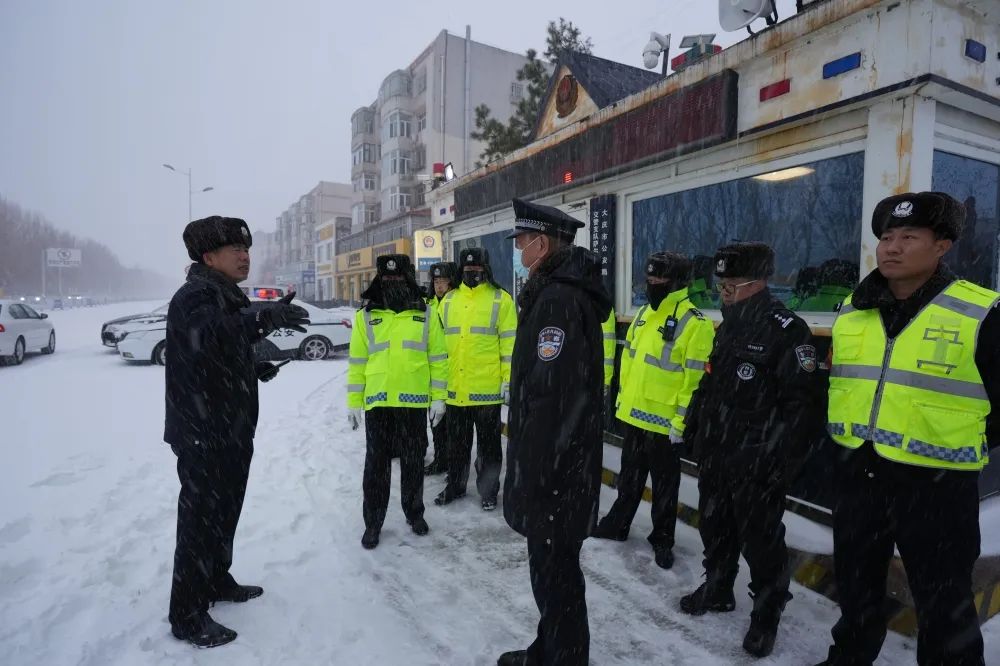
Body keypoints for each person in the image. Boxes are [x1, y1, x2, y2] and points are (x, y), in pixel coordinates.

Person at [816, 192, 999, 666]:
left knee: (945, 606)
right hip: (859, 475)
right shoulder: (852, 311)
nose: (892, 248)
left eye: (909, 237)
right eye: (886, 237)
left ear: (942, 246)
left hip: (937, 488)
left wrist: (953, 438)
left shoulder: (981, 312)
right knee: (856, 588)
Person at [165, 216, 310, 648]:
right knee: (199, 522)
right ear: (209, 257)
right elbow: (209, 337)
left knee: (225, 511)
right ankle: (187, 614)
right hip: (203, 430)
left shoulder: (224, 294)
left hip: (229, 427)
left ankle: (216, 579)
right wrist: (265, 318)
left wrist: (251, 366)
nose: (245, 256)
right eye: (236, 250)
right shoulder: (195, 295)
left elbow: (220, 352)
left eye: (247, 249)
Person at [679, 241, 825, 658]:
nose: (724, 294)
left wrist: (781, 462)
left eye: (731, 287)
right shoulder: (727, 327)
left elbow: (802, 408)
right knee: (714, 526)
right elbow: (711, 383)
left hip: (758, 459)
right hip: (717, 452)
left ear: (759, 282)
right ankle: (718, 586)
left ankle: (766, 612)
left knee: (761, 541)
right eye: (721, 286)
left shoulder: (787, 330)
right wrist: (694, 424)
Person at [498, 198, 612, 666]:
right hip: (563, 468)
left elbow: (551, 400)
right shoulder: (558, 293)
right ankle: (548, 652)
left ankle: (564, 658)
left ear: (541, 245)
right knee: (553, 575)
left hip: (556, 475)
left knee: (556, 578)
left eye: (522, 242)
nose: (518, 250)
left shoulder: (557, 301)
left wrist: (534, 475)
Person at [592, 252, 714, 570]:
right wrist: (622, 401)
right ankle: (617, 525)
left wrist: (681, 422)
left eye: (660, 280)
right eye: (649, 280)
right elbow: (630, 360)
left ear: (678, 283)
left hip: (665, 424)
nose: (653, 285)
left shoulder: (695, 323)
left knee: (664, 488)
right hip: (634, 416)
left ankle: (662, 539)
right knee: (629, 480)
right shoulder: (644, 313)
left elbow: (694, 382)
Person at [347, 254, 448, 549]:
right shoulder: (366, 316)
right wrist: (353, 402)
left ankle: (414, 514)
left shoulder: (426, 313)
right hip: (378, 404)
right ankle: (373, 523)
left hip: (413, 404)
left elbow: (439, 359)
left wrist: (439, 399)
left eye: (398, 276)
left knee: (413, 463)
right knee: (376, 467)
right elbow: (357, 362)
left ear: (409, 278)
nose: (393, 281)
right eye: (387, 277)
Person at [434, 247, 517, 511]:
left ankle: (489, 491)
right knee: (456, 445)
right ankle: (455, 485)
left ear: (487, 269)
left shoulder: (501, 300)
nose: (473, 273)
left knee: (489, 447)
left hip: (486, 390)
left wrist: (508, 380)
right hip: (455, 389)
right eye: (468, 269)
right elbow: (437, 348)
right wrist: (436, 388)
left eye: (478, 269)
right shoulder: (448, 301)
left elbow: (510, 345)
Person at [424, 261, 459, 475]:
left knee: (453, 424)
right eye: (436, 281)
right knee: (436, 420)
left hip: (455, 369)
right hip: (434, 371)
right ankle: (441, 458)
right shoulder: (426, 304)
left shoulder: (458, 302)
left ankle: (454, 463)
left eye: (443, 281)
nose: (439, 285)